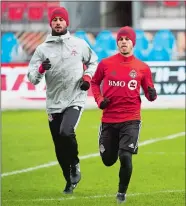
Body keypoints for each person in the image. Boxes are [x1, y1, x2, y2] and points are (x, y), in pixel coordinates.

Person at [27, 7, 98, 194]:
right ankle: (69, 181)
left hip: (75, 98)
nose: (58, 22)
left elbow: (93, 61)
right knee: (59, 145)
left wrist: (87, 78)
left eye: (61, 19)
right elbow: (32, 77)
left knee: (66, 131)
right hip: (53, 103)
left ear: (67, 23)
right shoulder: (42, 49)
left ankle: (75, 164)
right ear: (50, 23)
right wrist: (41, 69)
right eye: (55, 20)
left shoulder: (79, 44)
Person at [91, 26, 157, 203]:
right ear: (117, 43)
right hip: (109, 119)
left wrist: (152, 94)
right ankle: (108, 151)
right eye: (120, 39)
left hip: (131, 118)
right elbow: (95, 83)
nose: (123, 42)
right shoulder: (105, 64)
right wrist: (99, 100)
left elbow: (150, 91)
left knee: (125, 156)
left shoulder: (142, 67)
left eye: (127, 39)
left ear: (133, 43)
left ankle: (121, 193)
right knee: (108, 160)